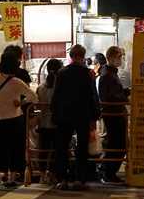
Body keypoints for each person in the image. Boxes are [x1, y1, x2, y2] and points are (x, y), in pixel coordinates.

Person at [50, 44, 101, 191]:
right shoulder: (87, 73)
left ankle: (62, 179)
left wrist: (55, 111)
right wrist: (95, 114)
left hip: (64, 115)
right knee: (82, 147)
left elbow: (56, 96)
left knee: (62, 147)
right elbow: (92, 95)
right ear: (83, 56)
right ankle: (79, 179)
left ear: (71, 57)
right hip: (82, 115)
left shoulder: (61, 73)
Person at [0, 53, 38, 189]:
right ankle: (11, 180)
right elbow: (34, 97)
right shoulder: (16, 82)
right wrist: (20, 103)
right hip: (14, 120)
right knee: (14, 150)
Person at [97, 45, 130, 185]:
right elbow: (108, 96)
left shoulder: (110, 73)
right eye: (119, 57)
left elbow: (114, 92)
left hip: (115, 112)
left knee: (118, 142)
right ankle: (108, 173)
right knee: (117, 143)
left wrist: (126, 92)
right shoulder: (107, 75)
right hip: (112, 113)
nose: (121, 59)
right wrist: (124, 98)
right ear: (111, 59)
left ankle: (108, 172)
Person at [34, 58, 63, 185]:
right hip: (58, 123)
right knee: (56, 151)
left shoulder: (41, 87)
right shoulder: (61, 86)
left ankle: (42, 176)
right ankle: (53, 175)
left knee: (43, 150)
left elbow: (38, 106)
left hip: (43, 124)